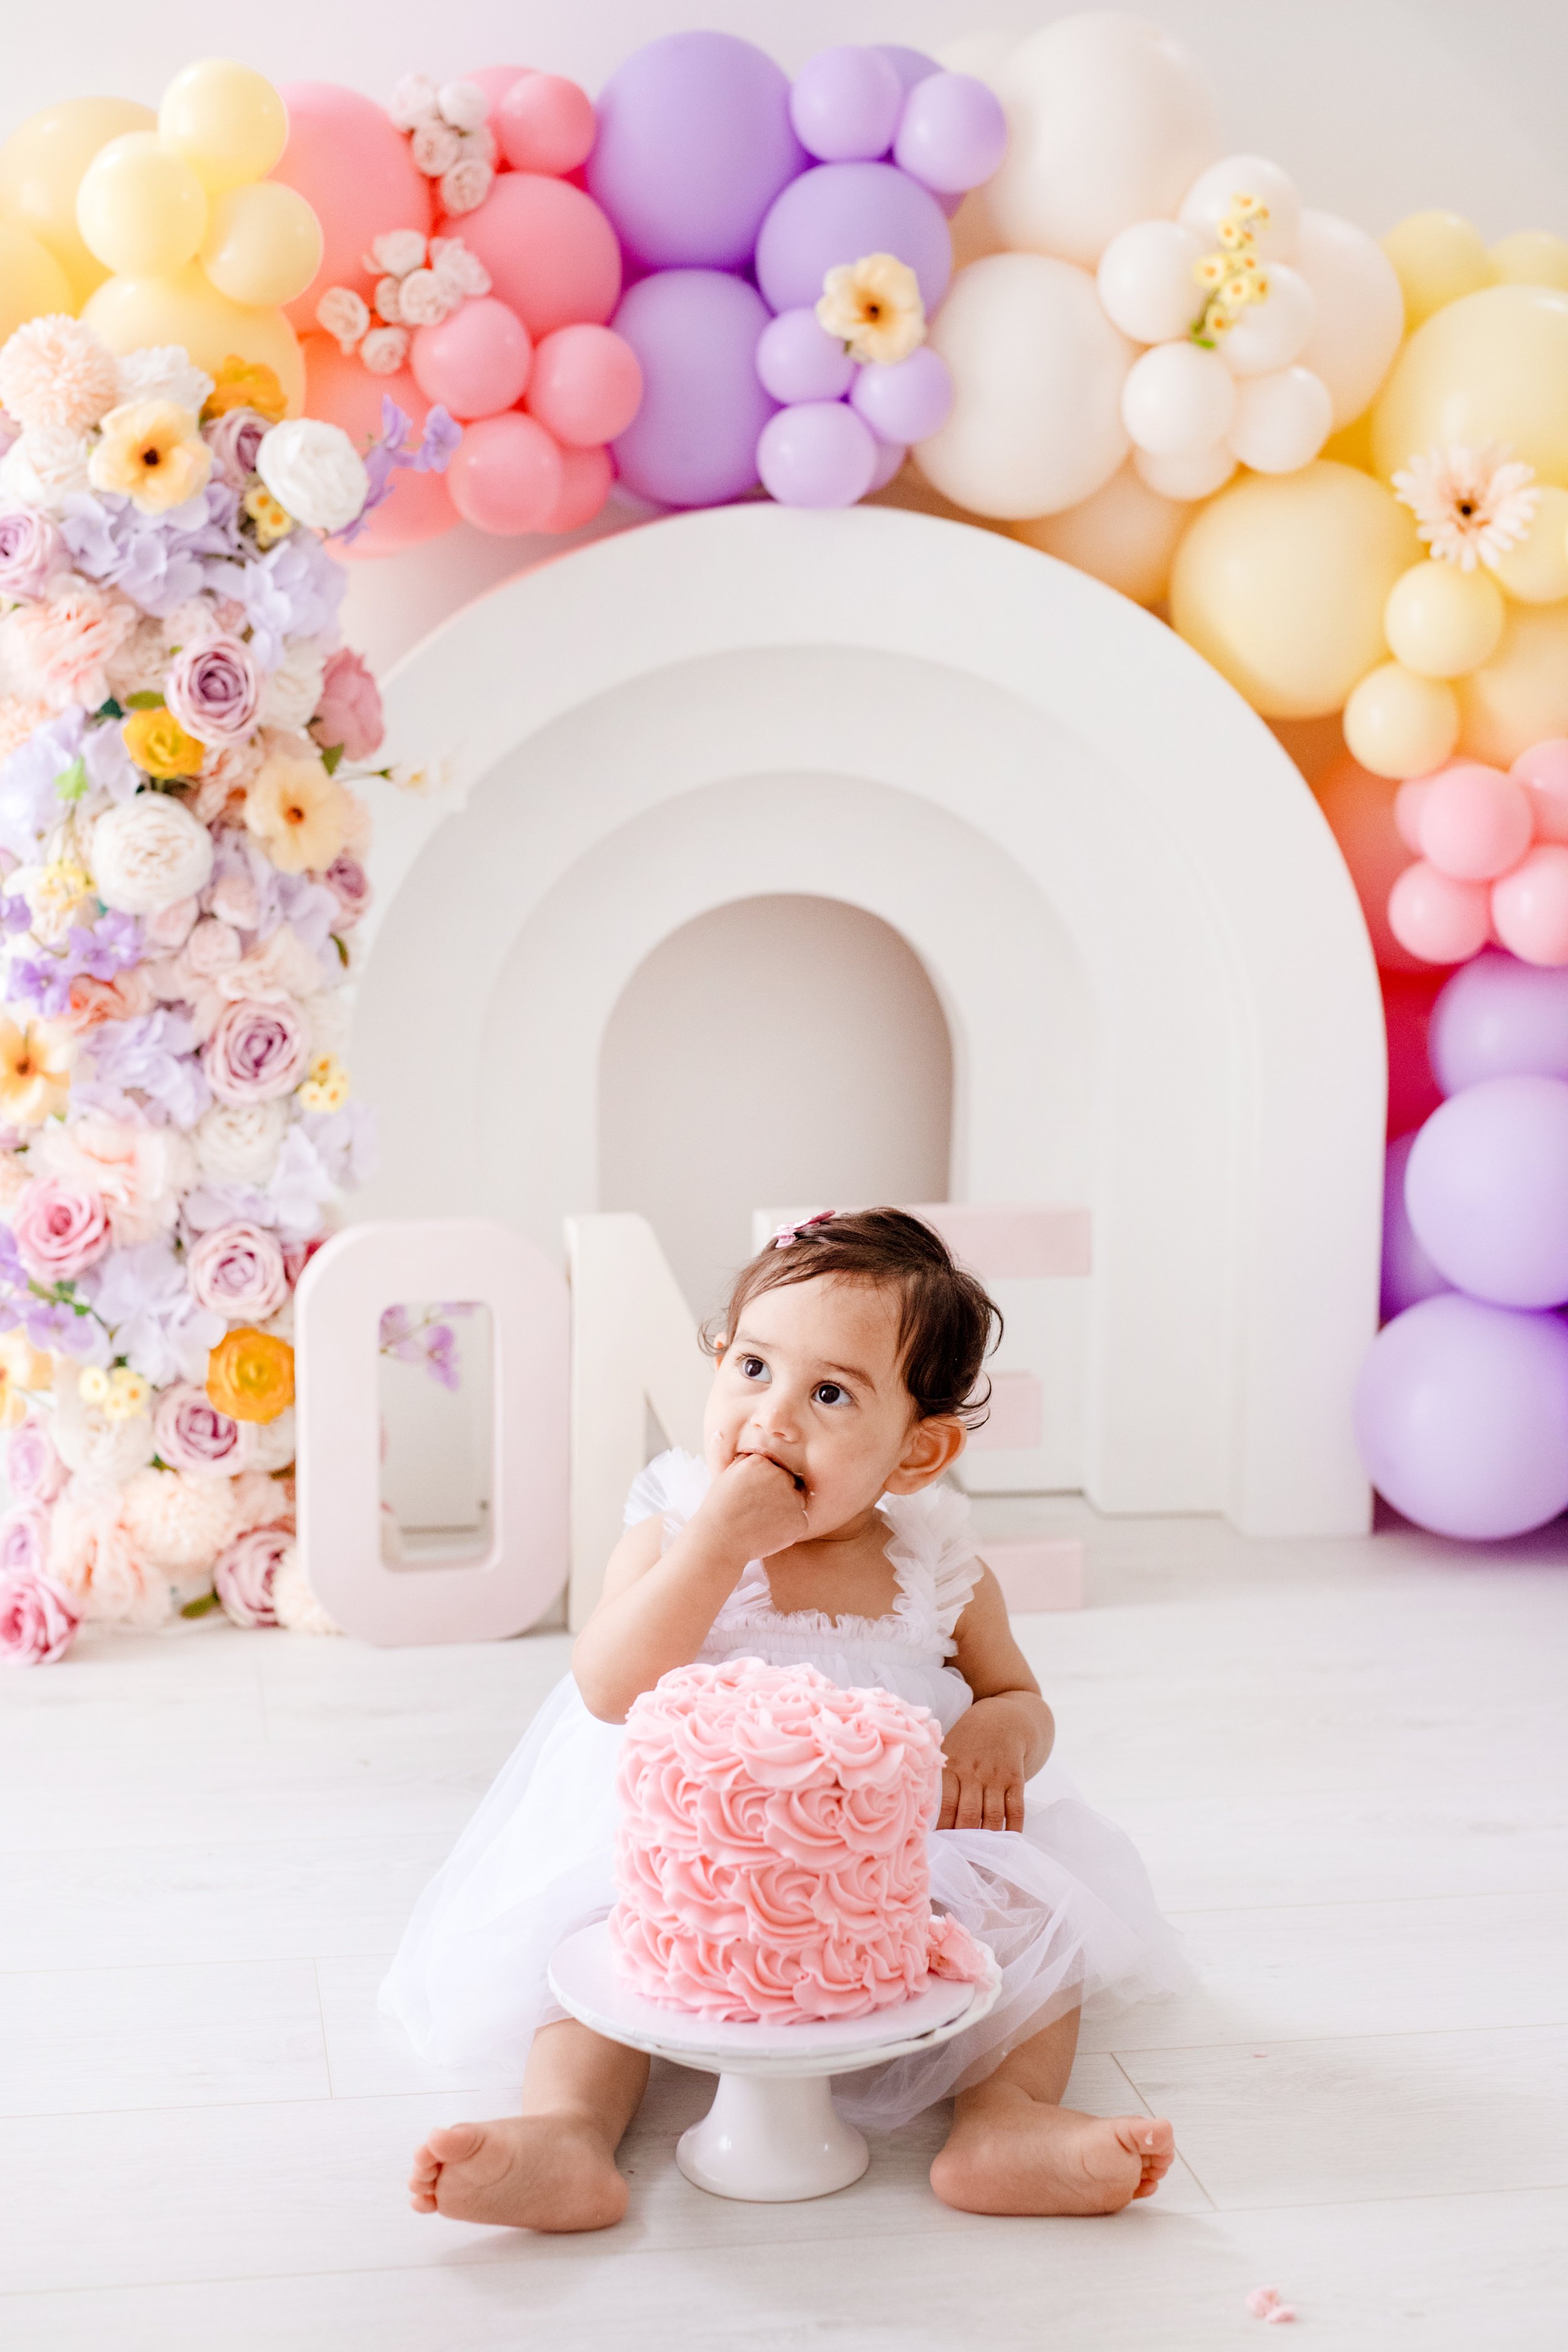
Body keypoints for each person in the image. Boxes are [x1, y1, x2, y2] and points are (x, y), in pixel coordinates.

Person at [385, 1208, 1190, 2230]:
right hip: (693, 1857)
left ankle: (1006, 2118)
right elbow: (608, 1684)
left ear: (917, 1449)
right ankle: (567, 2130)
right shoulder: (677, 1530)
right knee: (593, 1920)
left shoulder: (934, 1566)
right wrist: (717, 1549)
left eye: (829, 1393)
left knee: (1040, 1916)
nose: (772, 1417)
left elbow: (1016, 1693)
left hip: (884, 1860)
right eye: (753, 1367)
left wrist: (1003, 1730)